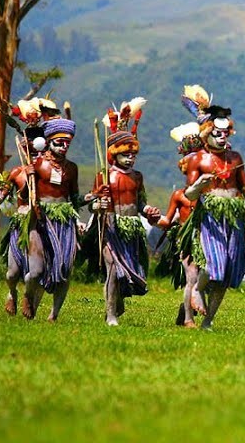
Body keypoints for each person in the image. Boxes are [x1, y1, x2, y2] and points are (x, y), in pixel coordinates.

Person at [179, 84, 245, 329]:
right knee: (215, 264)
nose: (223, 136)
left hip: (233, 219)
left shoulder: (235, 158)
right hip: (210, 218)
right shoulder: (197, 159)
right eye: (218, 132)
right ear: (207, 132)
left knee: (227, 272)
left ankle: (208, 320)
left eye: (226, 133)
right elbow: (190, 194)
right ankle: (195, 293)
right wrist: (200, 185)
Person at [0, 103, 86, 322]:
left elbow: (73, 198)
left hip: (54, 221)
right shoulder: (22, 171)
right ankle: (12, 292)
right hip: (27, 222)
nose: (34, 147)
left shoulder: (64, 168)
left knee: (49, 271)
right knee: (12, 273)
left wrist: (88, 203)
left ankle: (47, 311)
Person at [86, 98, 161, 326]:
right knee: (112, 269)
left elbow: (140, 203)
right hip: (110, 228)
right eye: (126, 154)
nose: (130, 158)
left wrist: (149, 210)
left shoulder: (137, 177)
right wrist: (97, 204)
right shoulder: (104, 176)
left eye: (133, 155)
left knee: (127, 274)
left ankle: (117, 301)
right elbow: (92, 202)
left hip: (131, 230)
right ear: (115, 154)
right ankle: (110, 314)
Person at [156, 121, 209, 327]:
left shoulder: (209, 196)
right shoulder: (179, 196)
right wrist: (155, 218)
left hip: (206, 236)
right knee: (191, 276)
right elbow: (166, 221)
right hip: (187, 239)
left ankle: (185, 310)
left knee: (207, 277)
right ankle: (188, 318)